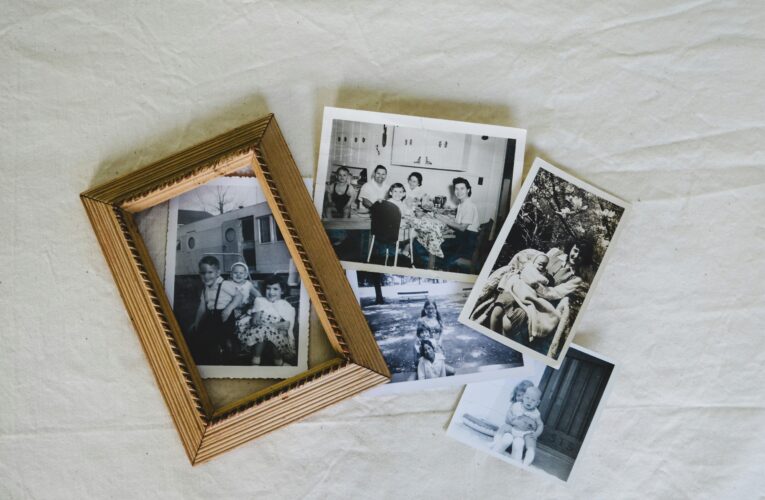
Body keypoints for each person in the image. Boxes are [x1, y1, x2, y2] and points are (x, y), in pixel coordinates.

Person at [188, 256, 241, 364]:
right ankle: (210, 356)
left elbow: (239, 296)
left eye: (210, 272)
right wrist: (196, 322)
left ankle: (227, 350)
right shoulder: (205, 289)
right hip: (213, 317)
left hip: (225, 317)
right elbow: (202, 307)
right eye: (203, 273)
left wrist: (229, 309)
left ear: (218, 273)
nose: (206, 276)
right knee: (200, 335)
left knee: (219, 336)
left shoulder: (225, 284)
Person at [238, 275, 296, 366]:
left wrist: (273, 327)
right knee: (263, 332)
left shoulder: (285, 305)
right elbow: (255, 321)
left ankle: (278, 361)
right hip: (258, 331)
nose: (271, 292)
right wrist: (266, 324)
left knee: (277, 334)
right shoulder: (260, 301)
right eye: (268, 288)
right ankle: (256, 360)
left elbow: (286, 325)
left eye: (275, 289)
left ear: (282, 291)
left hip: (276, 332)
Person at [491, 385, 544, 465]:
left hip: (525, 434)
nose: (529, 401)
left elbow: (540, 425)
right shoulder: (517, 405)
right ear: (523, 397)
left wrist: (536, 434)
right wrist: (512, 419)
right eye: (527, 398)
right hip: (513, 429)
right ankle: (496, 441)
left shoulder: (536, 414)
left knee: (531, 440)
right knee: (505, 426)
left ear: (537, 403)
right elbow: (509, 414)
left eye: (533, 400)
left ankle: (528, 457)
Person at [434, 177, 480, 270]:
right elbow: (459, 222)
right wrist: (447, 217)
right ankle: (438, 266)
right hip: (464, 237)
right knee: (439, 243)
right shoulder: (462, 204)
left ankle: (439, 269)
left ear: (468, 190)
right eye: (456, 189)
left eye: (462, 188)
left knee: (437, 246)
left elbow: (462, 227)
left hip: (467, 241)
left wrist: (444, 219)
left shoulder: (469, 206)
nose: (459, 192)